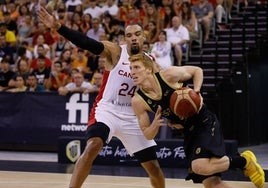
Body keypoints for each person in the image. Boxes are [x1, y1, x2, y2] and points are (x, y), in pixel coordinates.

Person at [37, 7, 165, 188]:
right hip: (107, 110)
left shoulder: (150, 63)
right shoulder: (116, 52)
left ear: (144, 37)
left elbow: (161, 91)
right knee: (92, 147)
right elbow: (87, 43)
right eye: (129, 35)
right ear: (125, 39)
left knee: (154, 168)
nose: (134, 38)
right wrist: (59, 27)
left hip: (133, 115)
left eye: (137, 34)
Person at [128, 53, 265, 188]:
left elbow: (197, 71)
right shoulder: (138, 101)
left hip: (203, 121)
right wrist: (155, 125)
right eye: (130, 68)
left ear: (148, 69)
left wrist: (197, 92)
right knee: (212, 183)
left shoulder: (168, 75)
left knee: (199, 166)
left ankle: (244, 161)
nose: (132, 72)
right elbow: (147, 134)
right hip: (188, 131)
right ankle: (244, 161)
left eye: (136, 67)